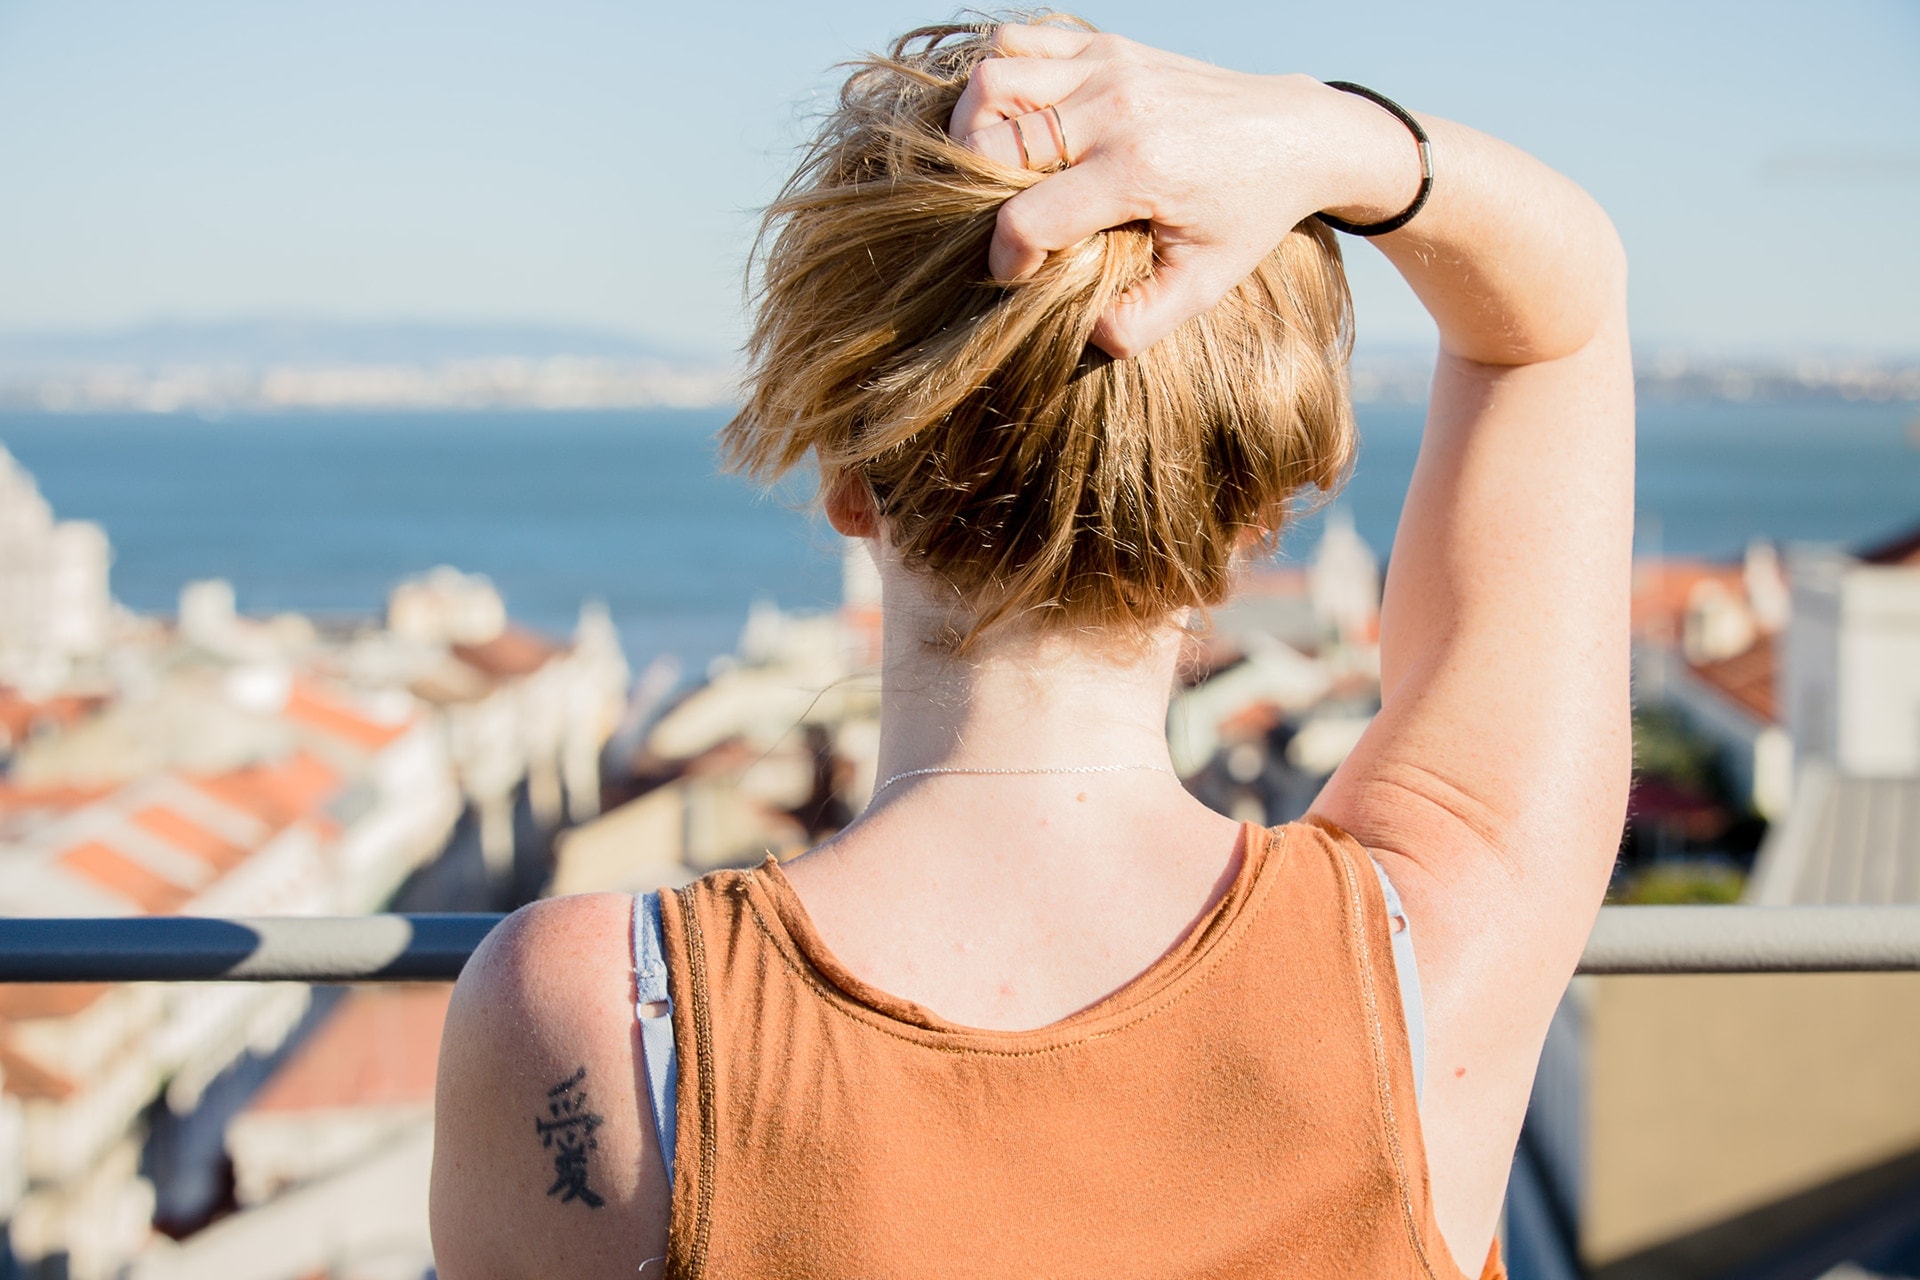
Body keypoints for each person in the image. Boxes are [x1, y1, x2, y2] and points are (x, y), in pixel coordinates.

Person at [431, 17, 1630, 1280]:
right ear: (1253, 516)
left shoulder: (585, 1017)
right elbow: (1556, 317)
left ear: (848, 476)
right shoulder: (1436, 955)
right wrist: (1322, 134)